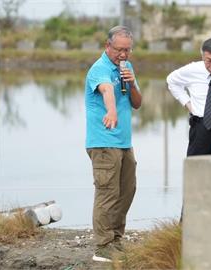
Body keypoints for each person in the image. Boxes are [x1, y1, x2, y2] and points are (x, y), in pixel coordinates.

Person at [84, 25, 142, 262]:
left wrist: (132, 83)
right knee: (108, 192)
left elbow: (137, 102)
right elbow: (107, 90)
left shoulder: (127, 67)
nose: (123, 54)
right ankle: (103, 246)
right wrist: (111, 111)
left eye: (127, 50)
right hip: (103, 141)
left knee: (127, 190)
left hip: (124, 142)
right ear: (108, 46)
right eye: (119, 49)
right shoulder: (99, 69)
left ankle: (116, 239)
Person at [166, 37, 211, 156]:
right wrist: (188, 103)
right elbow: (171, 81)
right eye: (208, 61)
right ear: (202, 57)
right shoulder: (193, 69)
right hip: (199, 128)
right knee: (195, 168)